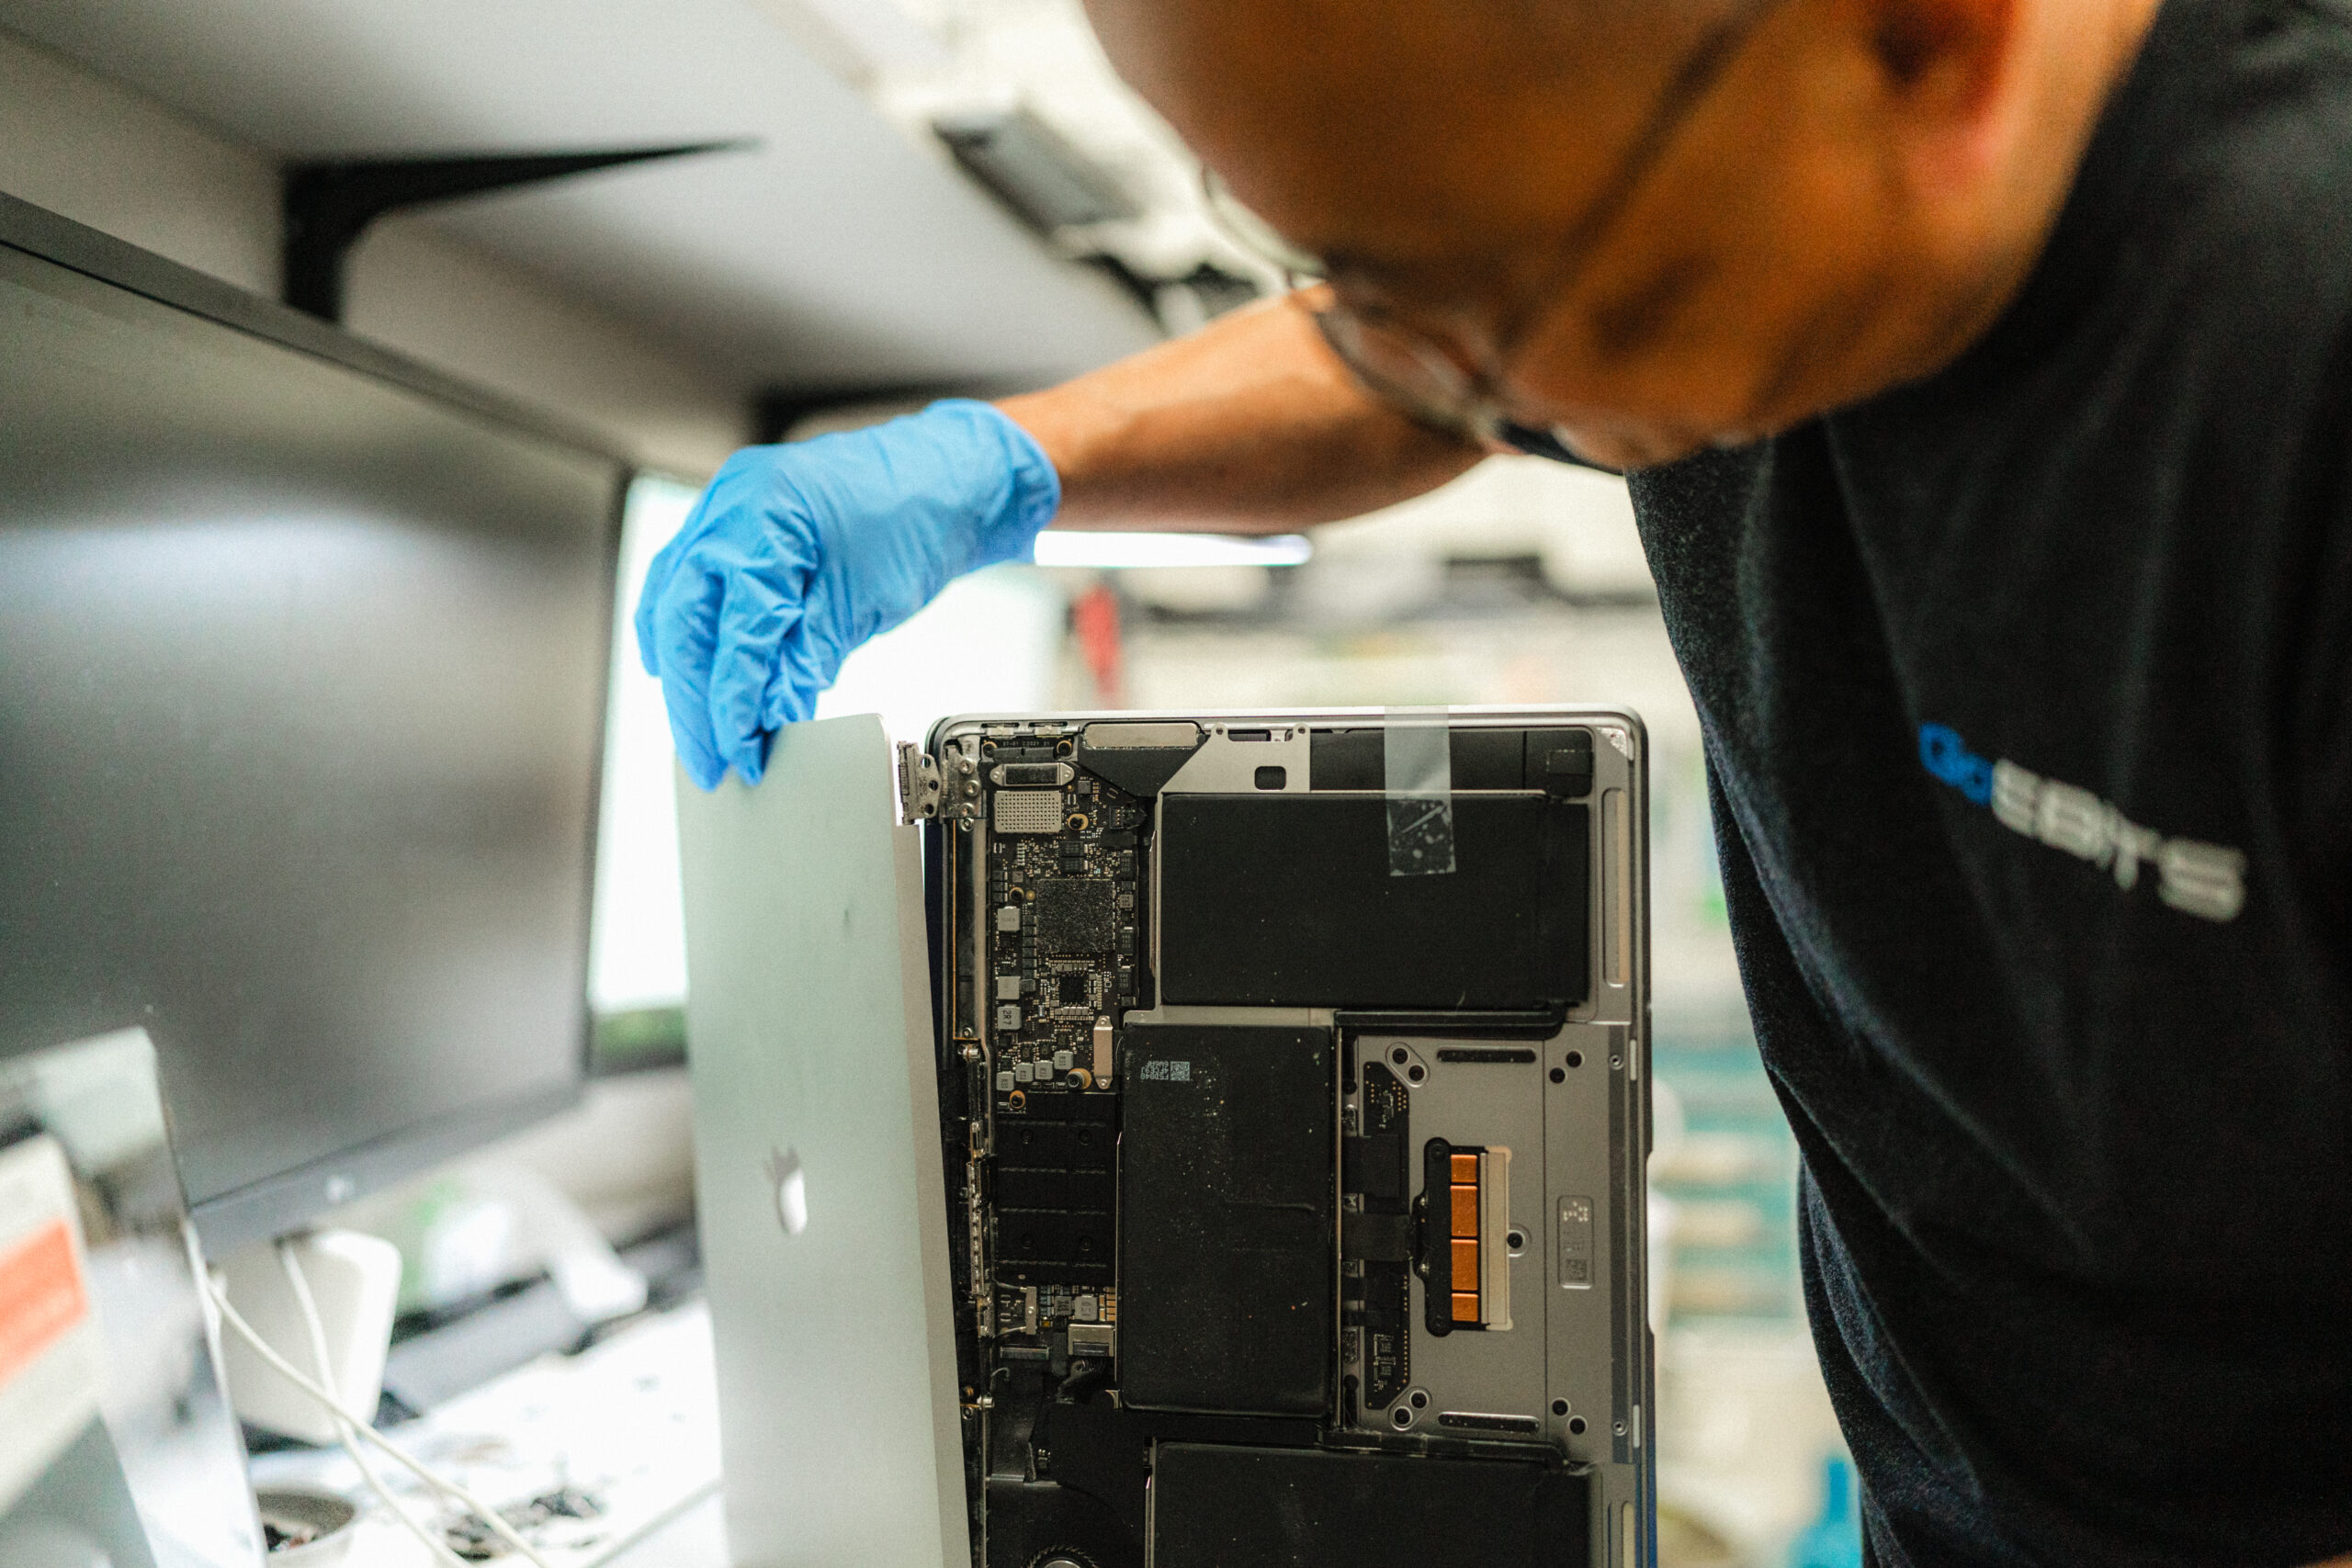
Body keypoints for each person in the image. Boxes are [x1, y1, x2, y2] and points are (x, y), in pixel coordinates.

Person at [635, 0, 2352, 1560]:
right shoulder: (1736, 174)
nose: (1508, 408)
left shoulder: (2293, 356)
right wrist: (1010, 465)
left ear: (1933, 42)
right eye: (1378, 295)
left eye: (1519, 318)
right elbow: (1447, 324)